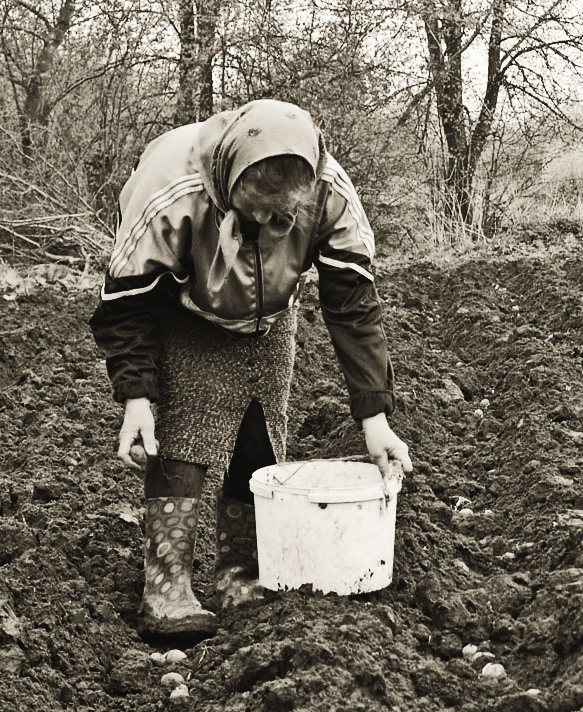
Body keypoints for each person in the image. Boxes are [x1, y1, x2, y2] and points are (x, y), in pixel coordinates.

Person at [90, 99, 413, 644]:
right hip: (185, 305)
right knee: (187, 431)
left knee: (259, 433)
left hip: (270, 315)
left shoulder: (331, 192)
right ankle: (166, 586)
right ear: (226, 188)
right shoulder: (173, 190)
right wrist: (136, 397)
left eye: (282, 217)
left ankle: (242, 575)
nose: (266, 226)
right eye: (253, 212)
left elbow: (352, 305)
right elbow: (127, 302)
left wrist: (375, 418)